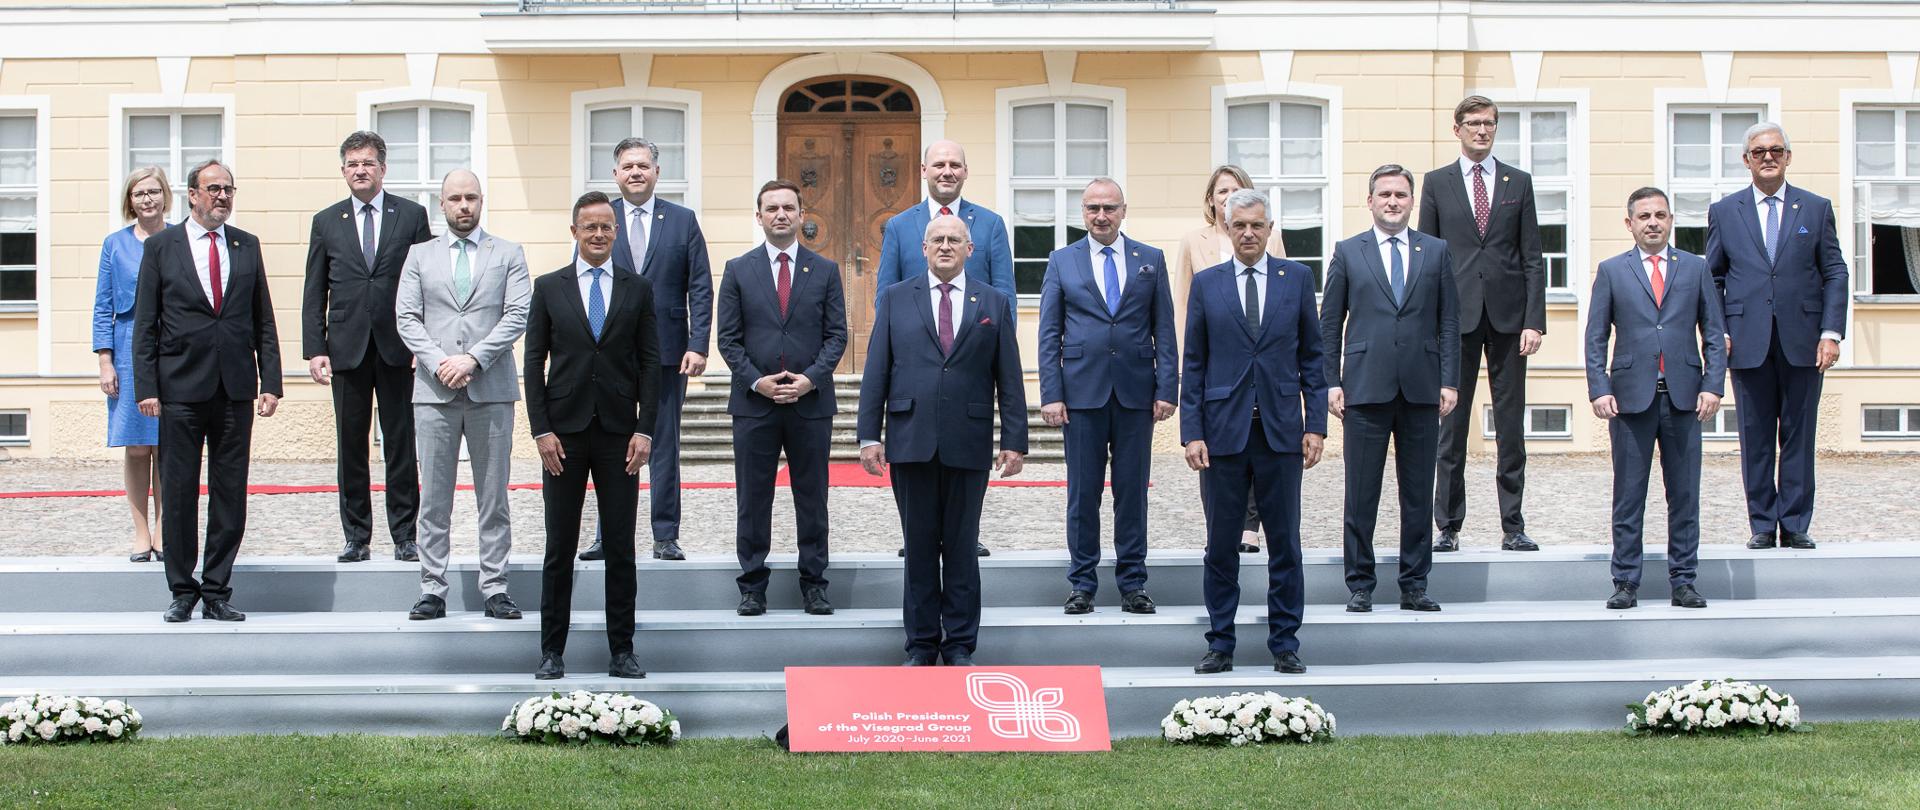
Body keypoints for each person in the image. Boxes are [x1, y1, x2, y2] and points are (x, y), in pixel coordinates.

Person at [858, 214, 1028, 666]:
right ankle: (920, 645)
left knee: (960, 547)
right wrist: (867, 436)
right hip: (910, 440)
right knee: (917, 548)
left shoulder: (992, 301)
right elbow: (877, 371)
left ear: (970, 250)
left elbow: (1008, 377)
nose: (946, 246)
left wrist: (1015, 439)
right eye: (938, 239)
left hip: (968, 442)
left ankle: (958, 645)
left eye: (955, 239)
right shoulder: (896, 299)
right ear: (924, 248)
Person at [1182, 189, 1327, 675]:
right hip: (1223, 434)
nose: (1248, 233)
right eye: (1239, 225)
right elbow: (1195, 362)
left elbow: (1312, 356)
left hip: (1282, 432)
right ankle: (1220, 642)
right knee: (1221, 545)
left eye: (1257, 225)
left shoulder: (1297, 279)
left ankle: (1284, 641)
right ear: (1226, 227)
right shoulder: (1208, 283)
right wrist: (1191, 432)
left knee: (1285, 543)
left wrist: (1317, 425)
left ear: (1270, 229)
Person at [132, 160, 281, 623]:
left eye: (228, 189)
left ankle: (216, 588)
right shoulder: (161, 247)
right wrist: (147, 386)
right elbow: (145, 325)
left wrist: (271, 381)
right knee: (177, 492)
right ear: (192, 195)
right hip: (179, 389)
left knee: (229, 492)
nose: (222, 196)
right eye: (213, 188)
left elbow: (263, 320)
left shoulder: (246, 245)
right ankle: (182, 589)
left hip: (235, 388)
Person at [524, 191, 660, 680]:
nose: (599, 234)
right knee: (559, 545)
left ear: (616, 232)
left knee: (621, 546)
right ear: (575, 231)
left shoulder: (637, 288)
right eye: (590, 227)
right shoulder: (548, 287)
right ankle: (550, 651)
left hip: (620, 436)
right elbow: (533, 362)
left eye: (607, 226)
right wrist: (541, 429)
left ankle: (622, 651)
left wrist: (646, 429)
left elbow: (650, 362)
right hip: (563, 435)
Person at [1320, 165, 1460, 614]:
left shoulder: (1435, 251)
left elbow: (1450, 321)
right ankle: (1360, 583)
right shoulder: (1348, 252)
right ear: (1370, 201)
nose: (1393, 201)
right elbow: (1329, 325)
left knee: (1418, 493)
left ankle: (1414, 584)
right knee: (1361, 493)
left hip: (1421, 387)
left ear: (1411, 201)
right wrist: (1330, 381)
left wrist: (1449, 379)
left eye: (1401, 194)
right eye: (1385, 194)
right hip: (1364, 388)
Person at [394, 169, 530, 621]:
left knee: (494, 496)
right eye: (455, 198)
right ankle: (432, 588)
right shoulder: (419, 255)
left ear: (482, 200)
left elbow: (517, 314)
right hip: (434, 392)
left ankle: (495, 586)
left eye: (471, 197)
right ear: (442, 204)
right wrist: (440, 362)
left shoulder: (508, 252)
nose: (464, 205)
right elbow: (407, 318)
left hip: (490, 388)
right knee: (434, 497)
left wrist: (473, 359)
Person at [1706, 122, 1849, 550]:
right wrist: (1720, 332)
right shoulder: (1725, 211)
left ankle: (1796, 521)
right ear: (1746, 159)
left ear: (1788, 157)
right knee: (1755, 437)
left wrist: (1831, 332)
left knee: (1800, 433)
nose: (1768, 157)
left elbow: (1835, 271)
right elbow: (1711, 277)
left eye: (1776, 150)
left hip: (1805, 340)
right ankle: (1763, 524)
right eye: (1759, 151)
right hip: (1746, 341)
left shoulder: (1816, 208)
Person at [1036, 178, 1175, 616]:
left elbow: (1165, 330)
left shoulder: (1150, 260)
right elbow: (1048, 333)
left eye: (1109, 208)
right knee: (1083, 493)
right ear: (1083, 212)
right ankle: (1082, 583)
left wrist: (1167, 387)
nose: (1101, 215)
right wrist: (1051, 393)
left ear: (1123, 210)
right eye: (1093, 208)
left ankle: (1133, 583)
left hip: (1136, 394)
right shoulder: (1062, 261)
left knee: (1132, 492)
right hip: (1080, 395)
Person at [874, 139, 1016, 557]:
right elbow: (886, 296)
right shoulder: (901, 225)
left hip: (969, 360)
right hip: (915, 371)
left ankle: (966, 533)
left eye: (955, 164)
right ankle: (915, 537)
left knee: (965, 465)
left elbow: (1003, 295)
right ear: (924, 170)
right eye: (939, 164)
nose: (947, 171)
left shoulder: (989, 224)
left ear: (966, 172)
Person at [1420, 96, 1547, 553]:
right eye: (1473, 123)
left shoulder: (1519, 182)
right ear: (1457, 129)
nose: (1482, 131)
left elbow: (1533, 256)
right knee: (1450, 425)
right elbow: (1427, 259)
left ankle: (1513, 524)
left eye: (1489, 124)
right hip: (1455, 318)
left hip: (1511, 318)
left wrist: (1535, 320)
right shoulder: (1437, 183)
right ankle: (1447, 525)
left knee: (1511, 424)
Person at [1589, 187, 1726, 609]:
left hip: (1685, 397)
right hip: (1630, 400)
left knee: (1684, 495)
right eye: (1644, 216)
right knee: (1629, 495)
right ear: (1629, 223)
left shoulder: (1695, 268)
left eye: (1661, 215)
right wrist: (1599, 387)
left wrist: (1713, 384)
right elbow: (1596, 337)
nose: (1653, 223)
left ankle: (1683, 580)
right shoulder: (1612, 270)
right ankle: (1625, 581)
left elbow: (1715, 334)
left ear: (1671, 221)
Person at [302, 131, 436, 564]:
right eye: (353, 164)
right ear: (343, 170)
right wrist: (315, 347)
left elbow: (427, 283)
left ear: (383, 167)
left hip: (400, 347)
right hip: (346, 349)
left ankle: (405, 535)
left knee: (400, 443)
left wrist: (425, 342)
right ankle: (356, 536)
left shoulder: (411, 216)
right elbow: (314, 288)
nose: (360, 170)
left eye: (368, 163)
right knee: (351, 446)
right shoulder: (326, 221)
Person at [715, 180, 848, 617]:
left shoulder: (825, 270)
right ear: (759, 216)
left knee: (812, 498)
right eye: (771, 208)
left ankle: (814, 584)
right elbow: (729, 339)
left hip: (810, 403)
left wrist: (809, 380)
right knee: (753, 499)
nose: (780, 215)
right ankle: (752, 585)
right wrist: (759, 382)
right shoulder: (738, 269)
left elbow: (836, 336)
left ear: (801, 214)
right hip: (755, 404)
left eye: (788, 207)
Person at [579, 137, 711, 564]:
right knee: (610, 443)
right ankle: (607, 534)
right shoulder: (601, 219)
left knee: (664, 444)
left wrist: (698, 344)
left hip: (669, 353)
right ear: (615, 174)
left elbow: (701, 287)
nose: (636, 172)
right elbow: (582, 283)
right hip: (610, 353)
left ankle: (665, 534)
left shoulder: (683, 220)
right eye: (627, 166)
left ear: (658, 172)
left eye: (643, 165)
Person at [1175, 165, 1285, 554]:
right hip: (1218, 365)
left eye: (1236, 189)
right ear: (1211, 199)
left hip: (1264, 368)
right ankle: (1224, 529)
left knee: (1263, 445)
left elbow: (1281, 299)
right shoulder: (1194, 241)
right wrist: (1183, 365)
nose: (1227, 196)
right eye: (1222, 191)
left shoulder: (1271, 239)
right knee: (1223, 454)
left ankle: (1250, 526)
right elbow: (1184, 305)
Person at [93, 167, 169, 562]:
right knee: (138, 447)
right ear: (130, 200)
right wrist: (106, 361)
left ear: (165, 196)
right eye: (139, 193)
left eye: (154, 191)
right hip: (126, 347)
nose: (147, 199)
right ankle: (141, 532)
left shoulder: (178, 238)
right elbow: (103, 305)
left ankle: (163, 528)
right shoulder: (115, 244)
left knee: (167, 445)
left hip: (171, 348)